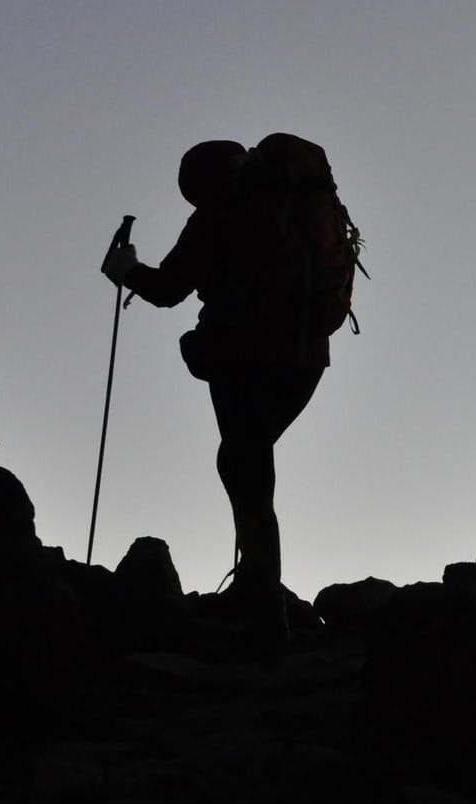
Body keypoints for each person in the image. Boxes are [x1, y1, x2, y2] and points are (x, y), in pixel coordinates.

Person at [101, 140, 331, 638]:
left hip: (244, 354)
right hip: (307, 355)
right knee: (248, 461)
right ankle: (259, 586)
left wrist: (126, 271)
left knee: (244, 465)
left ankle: (262, 604)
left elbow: (167, 290)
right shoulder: (290, 206)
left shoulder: (218, 213)